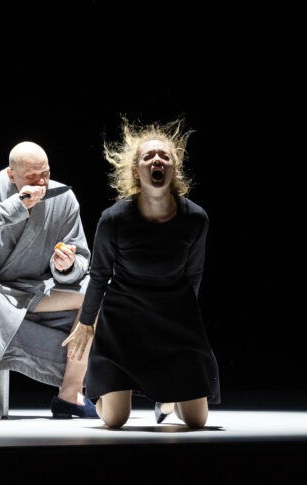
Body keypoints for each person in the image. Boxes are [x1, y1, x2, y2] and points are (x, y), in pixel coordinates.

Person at [62, 117, 220, 428]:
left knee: (197, 421)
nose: (157, 160)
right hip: (124, 323)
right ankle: (108, 391)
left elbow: (194, 276)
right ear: (137, 171)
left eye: (164, 156)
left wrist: (186, 323)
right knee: (115, 419)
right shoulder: (114, 219)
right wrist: (87, 323)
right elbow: (99, 275)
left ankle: (169, 398)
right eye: (149, 156)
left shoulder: (195, 218)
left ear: (173, 169)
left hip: (173, 322)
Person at [0, 141, 98, 420]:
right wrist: (14, 206)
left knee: (95, 292)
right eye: (32, 176)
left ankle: (71, 392)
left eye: (45, 174)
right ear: (11, 175)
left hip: (32, 289)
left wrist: (65, 266)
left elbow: (81, 259)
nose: (41, 183)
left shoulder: (63, 198)